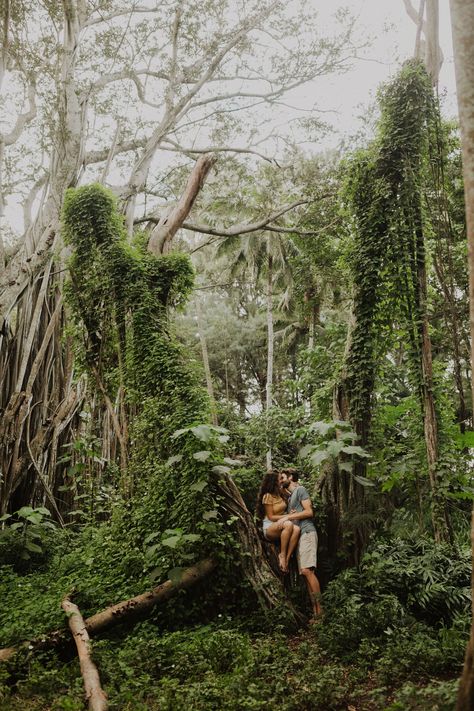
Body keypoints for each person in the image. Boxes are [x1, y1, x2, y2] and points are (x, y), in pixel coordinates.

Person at [279, 468, 322, 620]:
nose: (280, 481)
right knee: (305, 574)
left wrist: (288, 517)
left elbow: (309, 512)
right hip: (300, 537)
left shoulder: (301, 489)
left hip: (307, 533)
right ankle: (316, 614)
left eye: (282, 478)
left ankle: (321, 612)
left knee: (307, 571)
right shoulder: (291, 498)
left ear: (290, 477)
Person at [256, 470, 300, 573]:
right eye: (279, 479)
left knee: (297, 529)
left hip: (281, 523)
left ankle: (287, 559)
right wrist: (289, 516)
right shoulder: (267, 496)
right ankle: (282, 554)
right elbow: (271, 517)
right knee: (289, 524)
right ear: (273, 481)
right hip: (270, 526)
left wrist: (290, 512)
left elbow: (289, 502)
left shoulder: (280, 493)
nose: (281, 481)